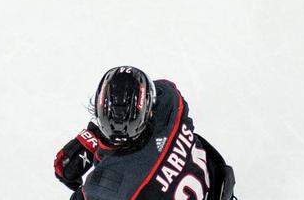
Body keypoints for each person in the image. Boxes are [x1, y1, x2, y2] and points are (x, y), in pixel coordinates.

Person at [54, 66, 236, 200]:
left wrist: (96, 142)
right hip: (213, 188)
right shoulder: (171, 102)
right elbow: (157, 89)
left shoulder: (105, 188)